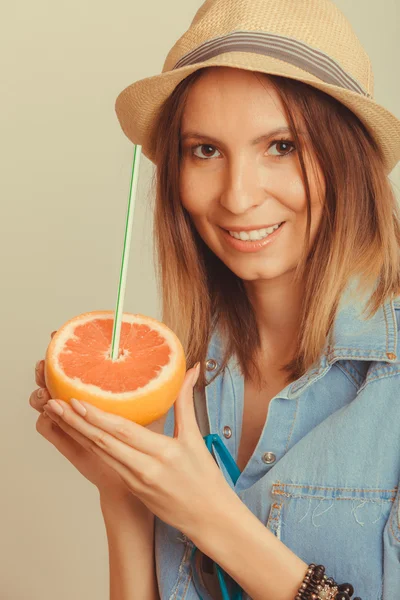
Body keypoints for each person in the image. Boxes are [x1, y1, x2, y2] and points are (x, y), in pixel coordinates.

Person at [30, 0, 400, 599]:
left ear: (348, 159)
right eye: (205, 150)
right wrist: (125, 496)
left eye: (280, 146)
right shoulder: (178, 383)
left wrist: (214, 519)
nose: (237, 196)